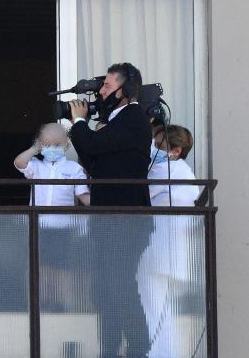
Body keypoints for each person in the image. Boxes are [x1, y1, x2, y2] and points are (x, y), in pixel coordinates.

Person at [69, 62, 153, 358]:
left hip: (125, 218)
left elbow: (91, 147)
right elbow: (93, 159)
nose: (101, 91)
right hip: (111, 217)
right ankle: (111, 346)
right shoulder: (117, 121)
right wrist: (87, 130)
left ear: (124, 91)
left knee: (119, 283)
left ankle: (139, 348)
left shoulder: (132, 117)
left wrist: (79, 122)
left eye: (106, 86)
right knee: (105, 286)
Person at [139, 124, 201, 358]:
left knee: (155, 312)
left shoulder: (169, 169)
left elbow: (142, 191)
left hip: (162, 248)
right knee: (163, 313)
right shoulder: (183, 171)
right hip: (172, 250)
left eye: (159, 145)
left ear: (175, 151)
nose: (154, 150)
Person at [14, 122, 91, 312]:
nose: (52, 148)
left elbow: (83, 196)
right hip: (37, 225)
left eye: (57, 144)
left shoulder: (73, 169)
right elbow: (19, 163)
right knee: (36, 267)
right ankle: (36, 305)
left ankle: (60, 305)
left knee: (60, 268)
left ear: (66, 145)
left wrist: (106, 202)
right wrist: (34, 148)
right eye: (47, 144)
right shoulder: (36, 166)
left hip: (62, 226)